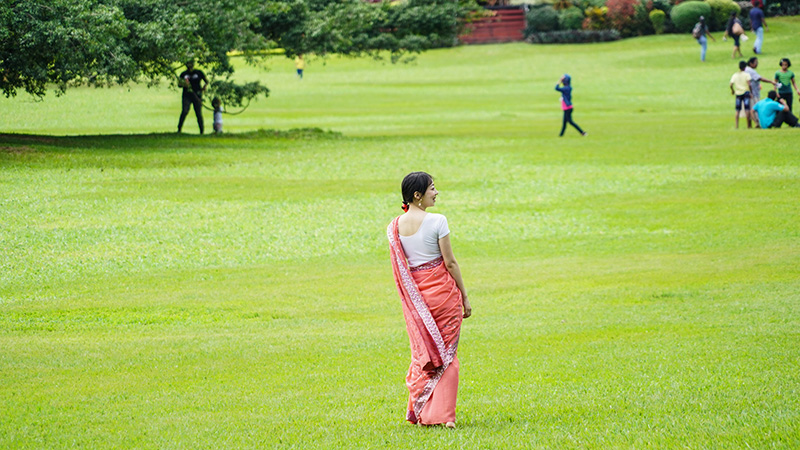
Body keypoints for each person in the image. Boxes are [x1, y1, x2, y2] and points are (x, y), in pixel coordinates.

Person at [387, 172, 471, 428]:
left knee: (424, 352)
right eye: (432, 188)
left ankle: (423, 412)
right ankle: (445, 417)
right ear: (417, 195)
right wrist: (465, 296)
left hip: (418, 299)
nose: (436, 193)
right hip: (443, 295)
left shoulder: (394, 226)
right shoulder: (438, 220)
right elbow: (450, 262)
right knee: (446, 355)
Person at [178, 61, 208, 134]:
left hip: (197, 95)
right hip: (187, 95)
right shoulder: (183, 74)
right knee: (185, 111)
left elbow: (206, 81)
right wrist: (184, 84)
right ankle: (179, 129)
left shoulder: (198, 72)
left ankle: (202, 131)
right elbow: (179, 85)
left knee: (198, 113)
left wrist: (204, 87)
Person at [730, 60, 753, 129]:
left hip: (738, 93)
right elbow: (749, 84)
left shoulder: (735, 75)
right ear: (745, 67)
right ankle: (748, 125)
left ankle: (736, 126)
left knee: (737, 110)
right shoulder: (747, 75)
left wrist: (732, 90)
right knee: (747, 109)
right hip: (746, 92)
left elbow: (731, 84)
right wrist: (751, 92)